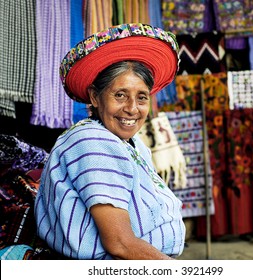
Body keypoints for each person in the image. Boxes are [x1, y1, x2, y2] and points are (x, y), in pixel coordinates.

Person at [34, 23, 186, 260]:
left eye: (142, 97)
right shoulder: (92, 141)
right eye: (120, 95)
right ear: (95, 97)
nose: (132, 109)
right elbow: (120, 244)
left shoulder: (133, 144)